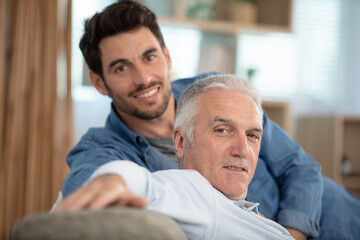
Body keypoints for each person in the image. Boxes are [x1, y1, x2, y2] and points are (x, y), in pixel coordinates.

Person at [61, 1, 360, 239]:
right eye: (122, 68)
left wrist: (289, 235)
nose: (144, 78)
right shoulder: (102, 149)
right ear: (99, 82)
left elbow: (300, 167)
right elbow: (91, 187)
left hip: (336, 215)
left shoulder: (214, 90)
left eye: (150, 57)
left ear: (167, 58)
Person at [56, 74, 294, 240]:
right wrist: (114, 180)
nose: (243, 149)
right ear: (180, 142)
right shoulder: (198, 194)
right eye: (222, 130)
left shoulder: (230, 208)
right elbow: (149, 185)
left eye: (252, 135)